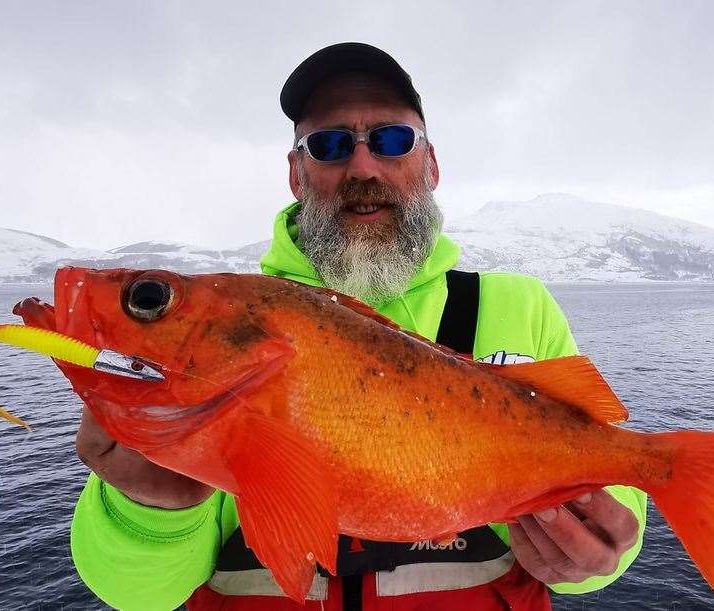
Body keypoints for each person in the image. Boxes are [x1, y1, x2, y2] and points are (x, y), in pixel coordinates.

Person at [71, 42, 647, 611]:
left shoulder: (519, 305)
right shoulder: (218, 332)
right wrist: (151, 510)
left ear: (432, 165)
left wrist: (597, 551)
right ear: (297, 174)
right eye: (329, 145)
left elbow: (606, 460)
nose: (363, 167)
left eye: (393, 140)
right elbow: (136, 594)